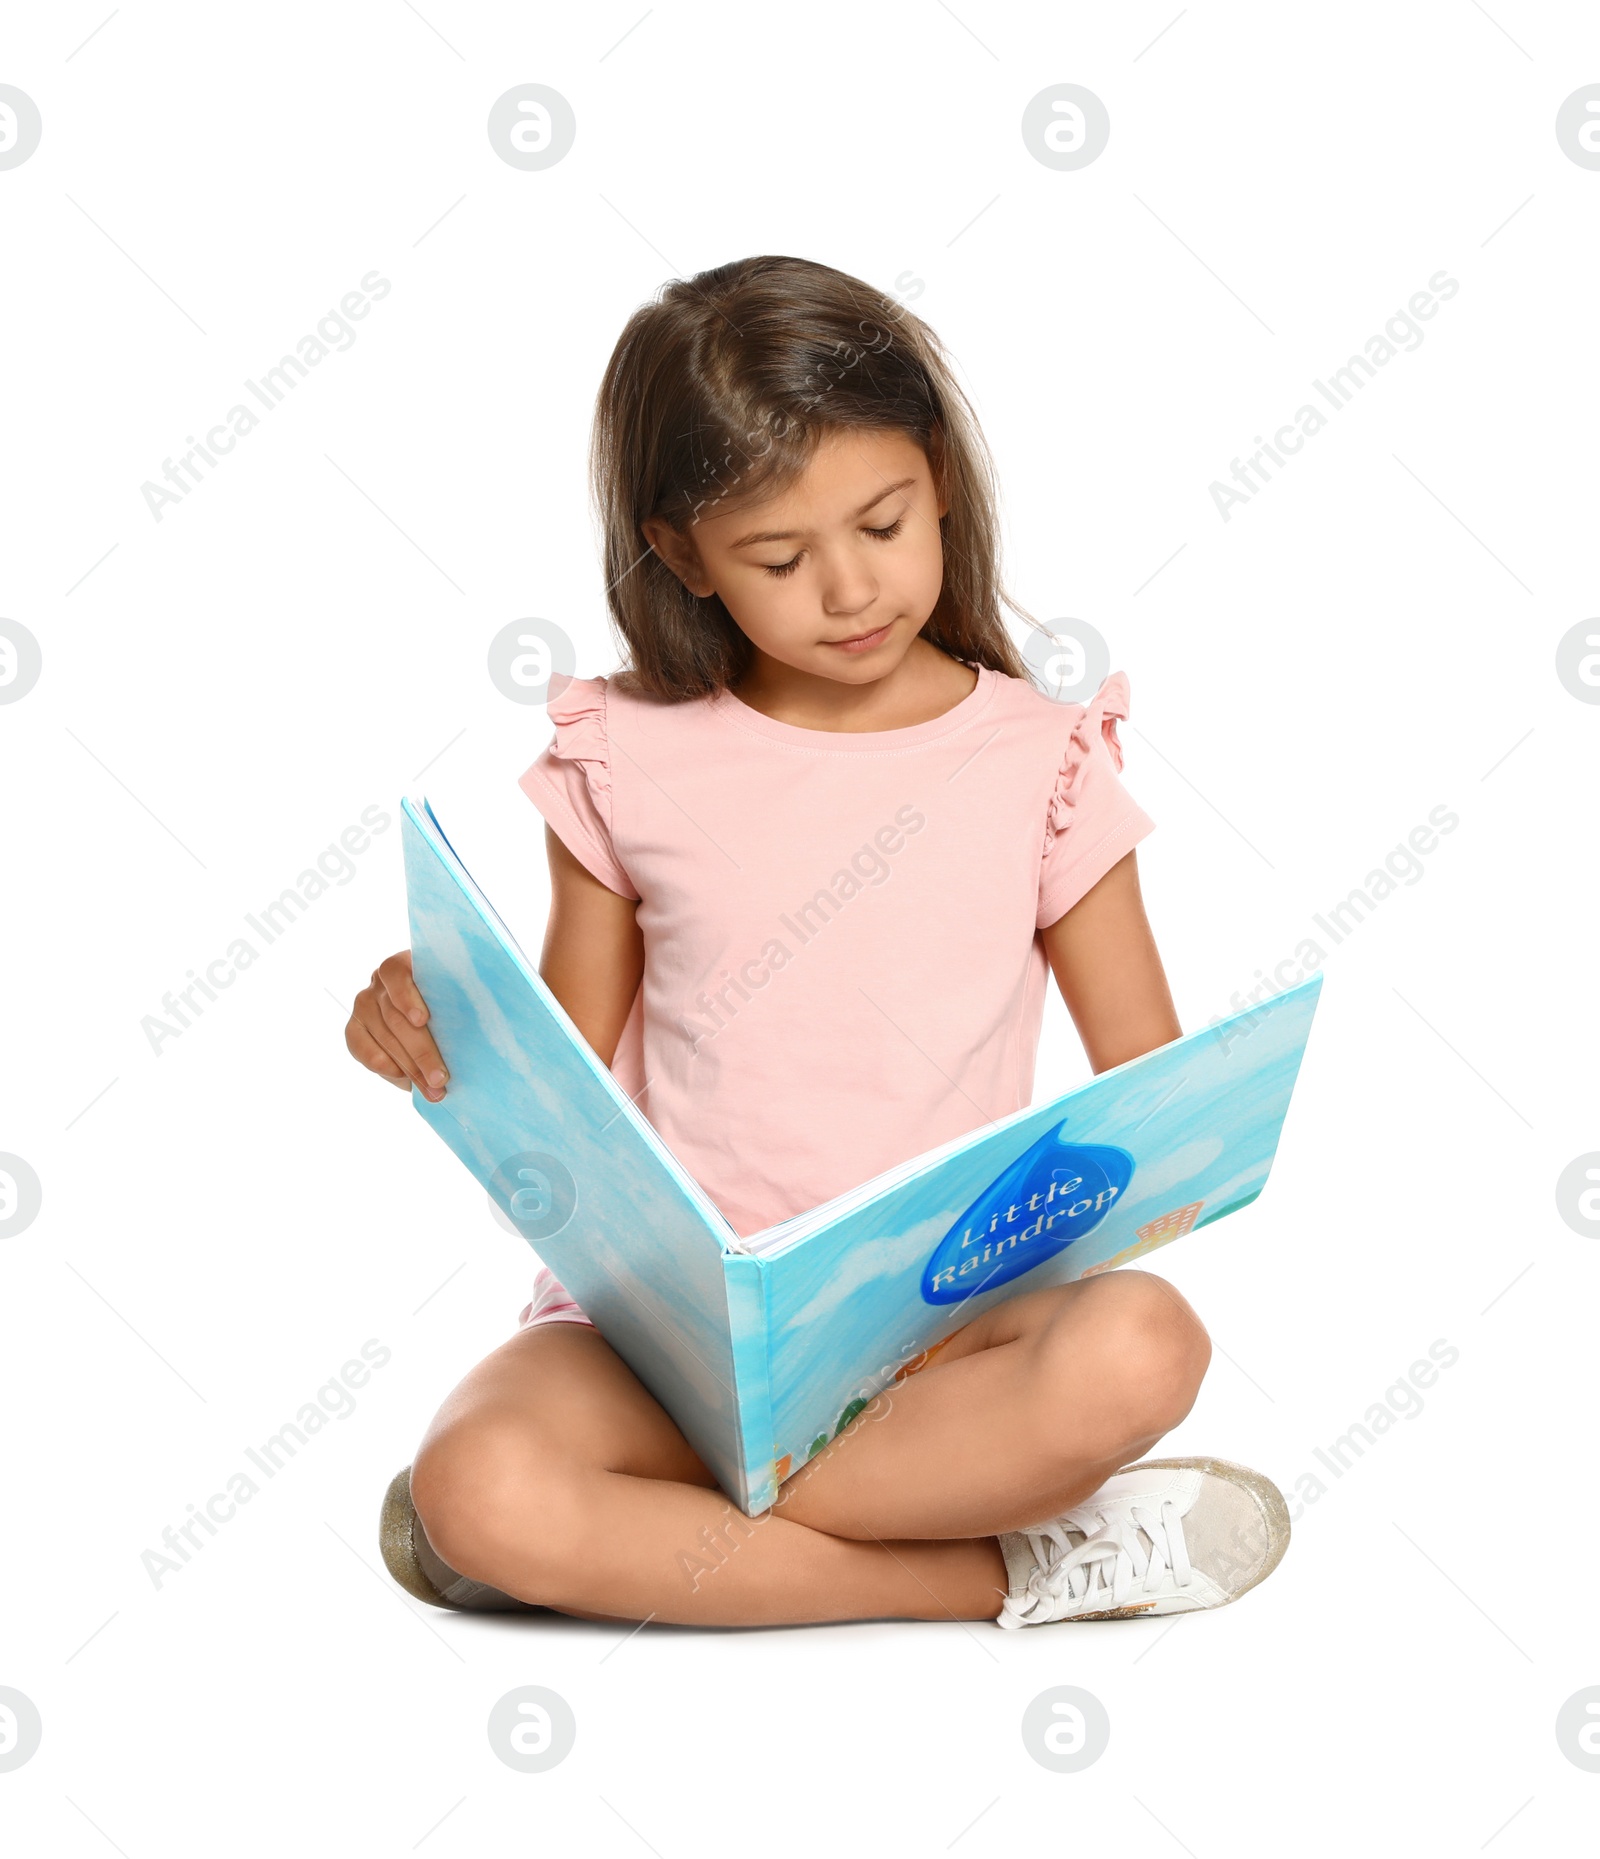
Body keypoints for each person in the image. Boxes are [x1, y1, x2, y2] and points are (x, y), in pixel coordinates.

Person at [345, 254, 1288, 1630]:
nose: (850, 591)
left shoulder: (1042, 762)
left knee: (1147, 1348)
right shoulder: (627, 755)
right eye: (781, 559)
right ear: (681, 555)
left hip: (935, 1336)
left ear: (941, 481)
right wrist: (431, 1026)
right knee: (476, 1484)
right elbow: (553, 1096)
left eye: (886, 525)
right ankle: (1000, 1572)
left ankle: (633, 1539)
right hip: (653, 1343)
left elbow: (1152, 1096)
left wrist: (1032, 1223)